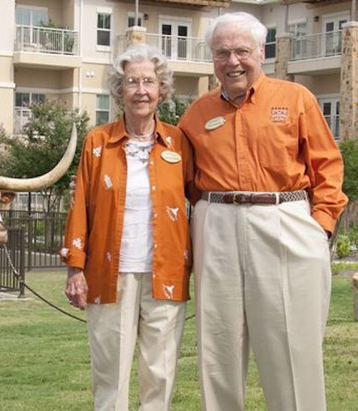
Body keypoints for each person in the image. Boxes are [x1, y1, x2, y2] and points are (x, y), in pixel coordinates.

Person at [178, 12, 348, 411]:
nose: (232, 61)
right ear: (212, 59)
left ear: (261, 52)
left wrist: (320, 228)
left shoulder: (296, 98)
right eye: (222, 53)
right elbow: (183, 179)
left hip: (284, 219)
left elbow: (327, 166)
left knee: (292, 347)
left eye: (241, 51)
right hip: (216, 224)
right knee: (218, 347)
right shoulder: (196, 114)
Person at [61, 43, 196, 410]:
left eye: (149, 82)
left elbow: (200, 200)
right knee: (110, 373)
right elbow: (81, 206)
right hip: (109, 275)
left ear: (162, 90)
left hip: (166, 274)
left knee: (160, 372)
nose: (141, 90)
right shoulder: (98, 142)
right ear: (119, 90)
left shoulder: (179, 142)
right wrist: (75, 268)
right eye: (132, 82)